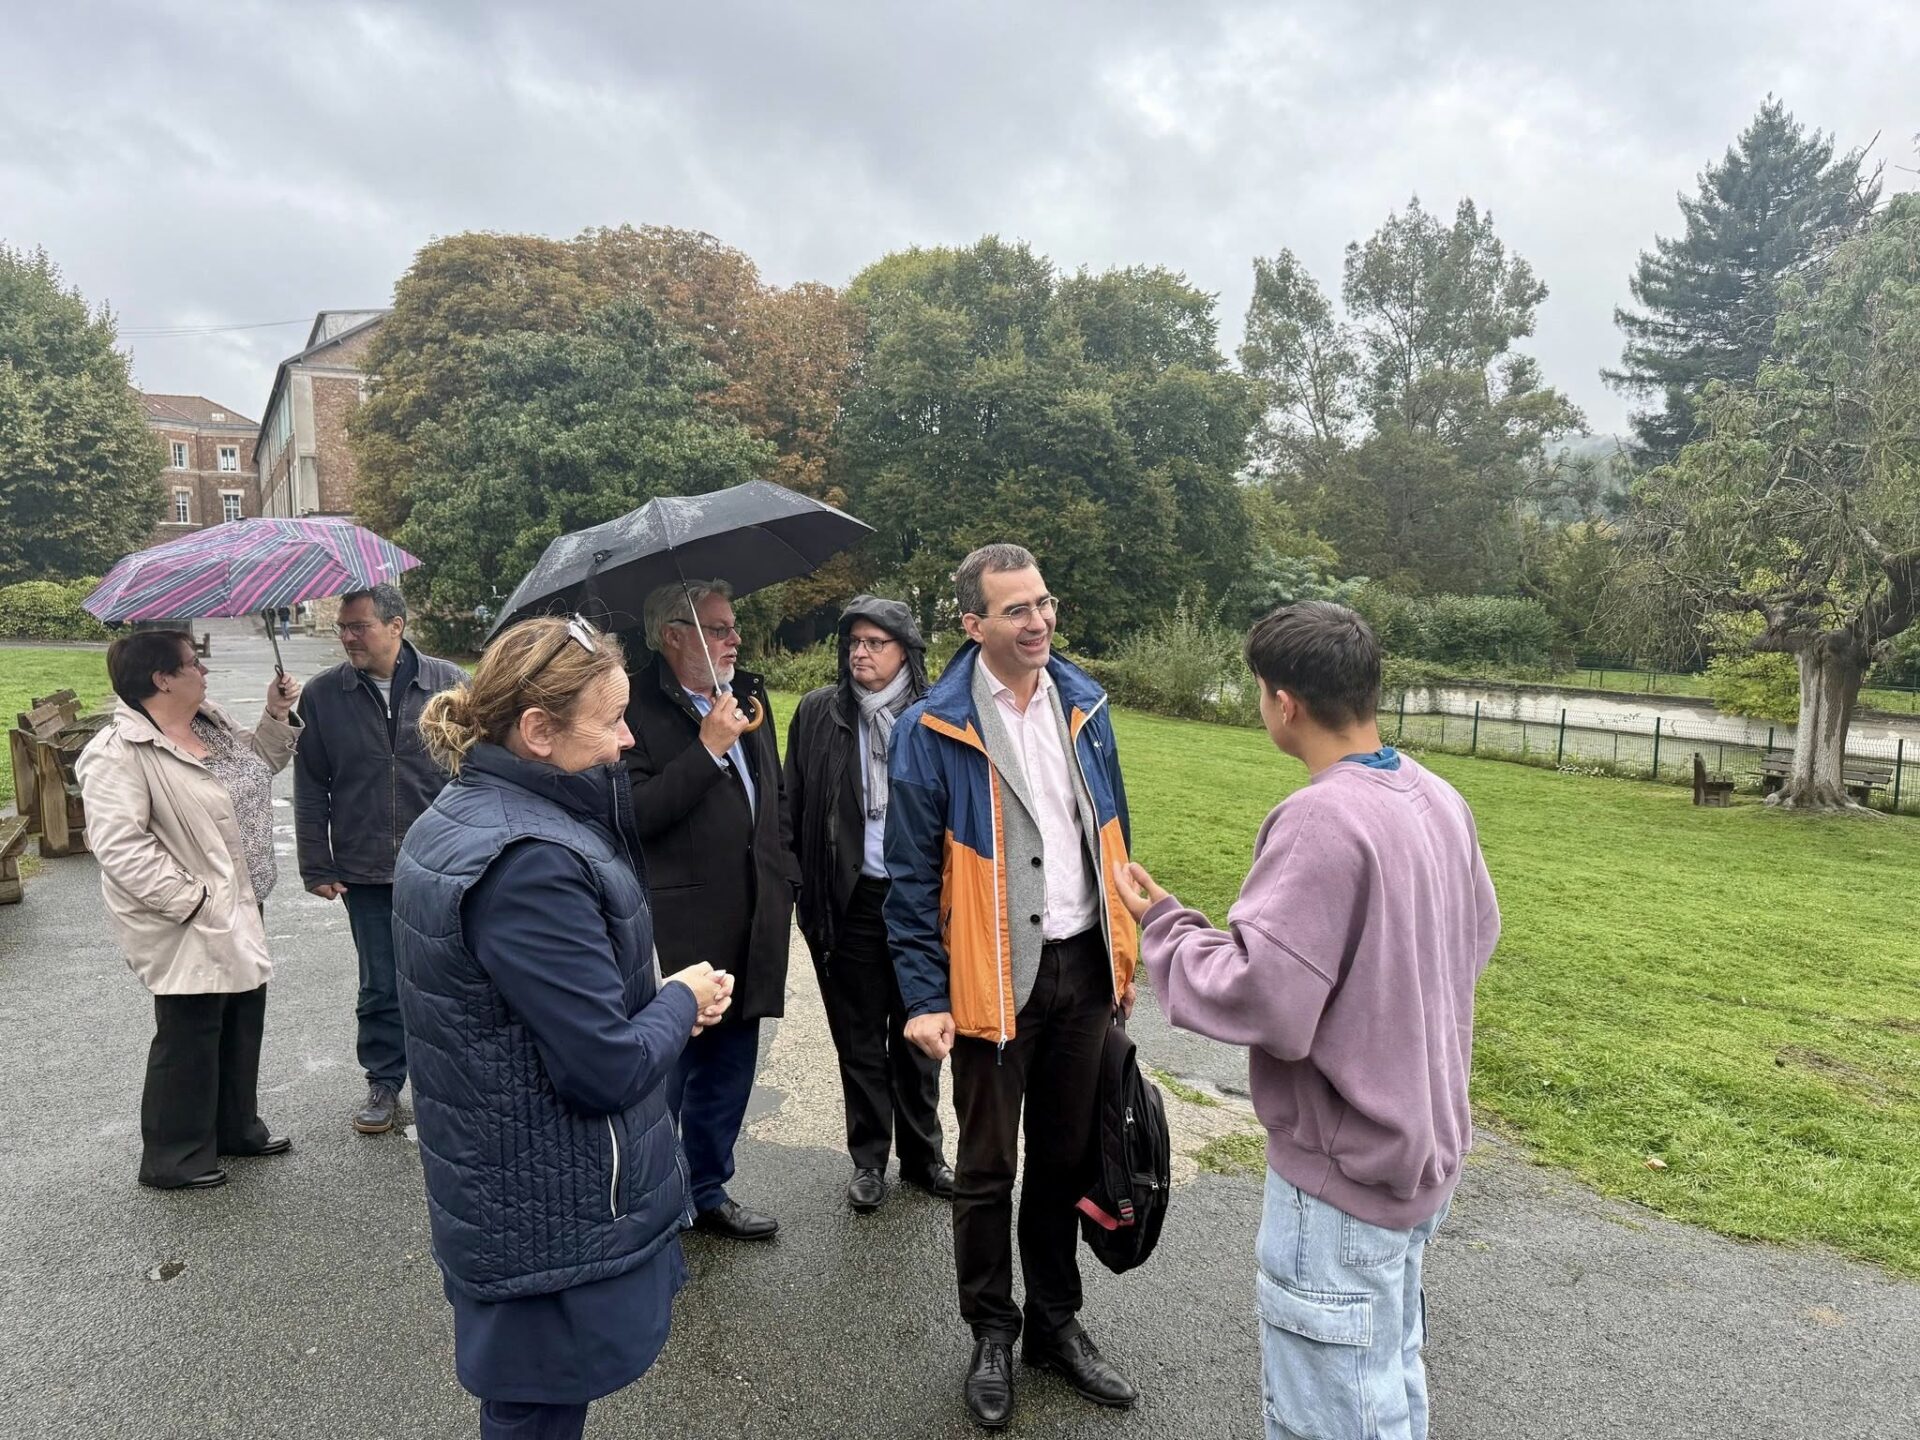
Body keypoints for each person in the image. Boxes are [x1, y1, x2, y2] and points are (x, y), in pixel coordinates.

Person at [1117, 601, 1501, 1440]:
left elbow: (1267, 998)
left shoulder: (1322, 819)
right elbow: (1474, 939)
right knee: (1387, 1389)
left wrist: (1166, 928)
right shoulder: (1436, 797)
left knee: (1331, 1419)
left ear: (1283, 702)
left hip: (1341, 1181)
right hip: (1417, 1158)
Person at [392, 615, 733, 1440]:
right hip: (542, 1208)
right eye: (611, 719)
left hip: (512, 1191)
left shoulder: (477, 810)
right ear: (537, 730)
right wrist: (682, 1000)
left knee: (530, 1408)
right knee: (535, 1416)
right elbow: (605, 1068)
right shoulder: (531, 862)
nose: (626, 741)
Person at [886, 543, 1141, 1430]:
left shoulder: (1085, 704)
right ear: (972, 625)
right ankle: (990, 1330)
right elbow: (910, 882)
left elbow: (1112, 833)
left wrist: (1123, 953)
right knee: (987, 1168)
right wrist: (923, 996)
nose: (1037, 622)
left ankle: (1053, 1325)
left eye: (1043, 604)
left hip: (1081, 965)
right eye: (1016, 611)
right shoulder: (933, 728)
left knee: (1066, 1159)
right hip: (992, 976)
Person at [76, 629, 303, 1190]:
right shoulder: (118, 754)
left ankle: (234, 1128)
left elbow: (254, 770)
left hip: (242, 903)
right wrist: (193, 901)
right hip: (190, 915)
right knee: (190, 1032)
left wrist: (277, 715)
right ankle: (173, 1156)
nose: (203, 670)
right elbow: (119, 848)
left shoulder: (210, 723)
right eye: (191, 663)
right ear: (162, 679)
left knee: (240, 1020)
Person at [623, 580, 797, 1242]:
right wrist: (707, 748)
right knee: (667, 1069)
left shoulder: (746, 696)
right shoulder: (631, 705)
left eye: (732, 627)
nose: (735, 639)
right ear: (675, 634)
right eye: (720, 629)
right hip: (678, 924)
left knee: (730, 1067)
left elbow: (773, 798)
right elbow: (635, 816)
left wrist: (789, 879)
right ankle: (648, 1200)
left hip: (752, 915)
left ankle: (707, 1189)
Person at [784, 596, 952, 1213]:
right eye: (852, 642)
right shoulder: (818, 714)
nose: (860, 653)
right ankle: (868, 1161)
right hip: (849, 902)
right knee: (858, 1040)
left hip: (919, 903)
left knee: (919, 1033)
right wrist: (804, 886)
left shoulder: (936, 718)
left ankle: (924, 1155)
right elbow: (792, 806)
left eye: (874, 642)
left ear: (904, 650)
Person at [294, 582, 465, 1136]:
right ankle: (384, 1081)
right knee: (380, 983)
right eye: (344, 627)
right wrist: (316, 864)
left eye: (358, 626)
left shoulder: (450, 685)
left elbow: (478, 767)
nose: (347, 637)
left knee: (454, 976)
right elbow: (310, 783)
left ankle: (454, 1082)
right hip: (364, 866)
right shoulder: (324, 695)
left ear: (396, 625)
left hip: (443, 864)